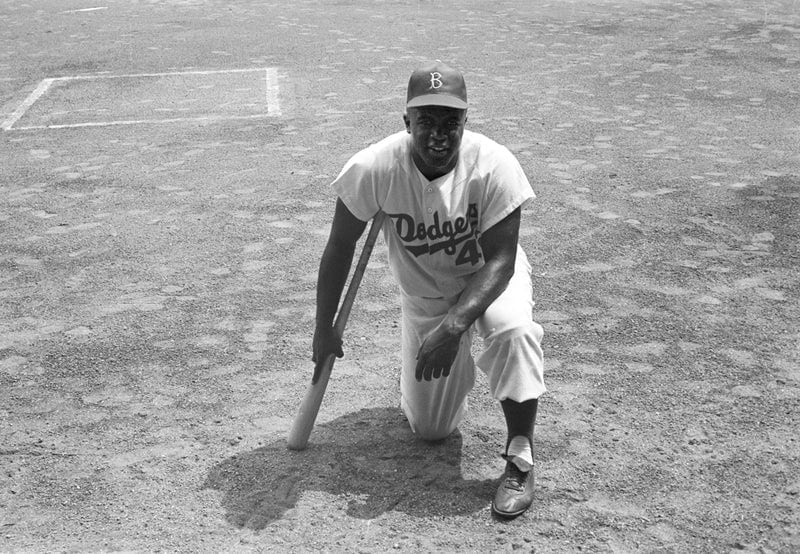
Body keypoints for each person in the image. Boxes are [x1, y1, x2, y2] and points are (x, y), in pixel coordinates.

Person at [312, 61, 546, 518]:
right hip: (427, 296)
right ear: (406, 122)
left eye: (450, 123)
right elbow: (340, 247)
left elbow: (500, 262)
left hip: (490, 282)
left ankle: (520, 456)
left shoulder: (495, 165)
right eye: (426, 123)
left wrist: (456, 326)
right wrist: (324, 327)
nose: (438, 135)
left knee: (514, 330)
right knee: (430, 431)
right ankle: (438, 386)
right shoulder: (375, 167)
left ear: (465, 122)